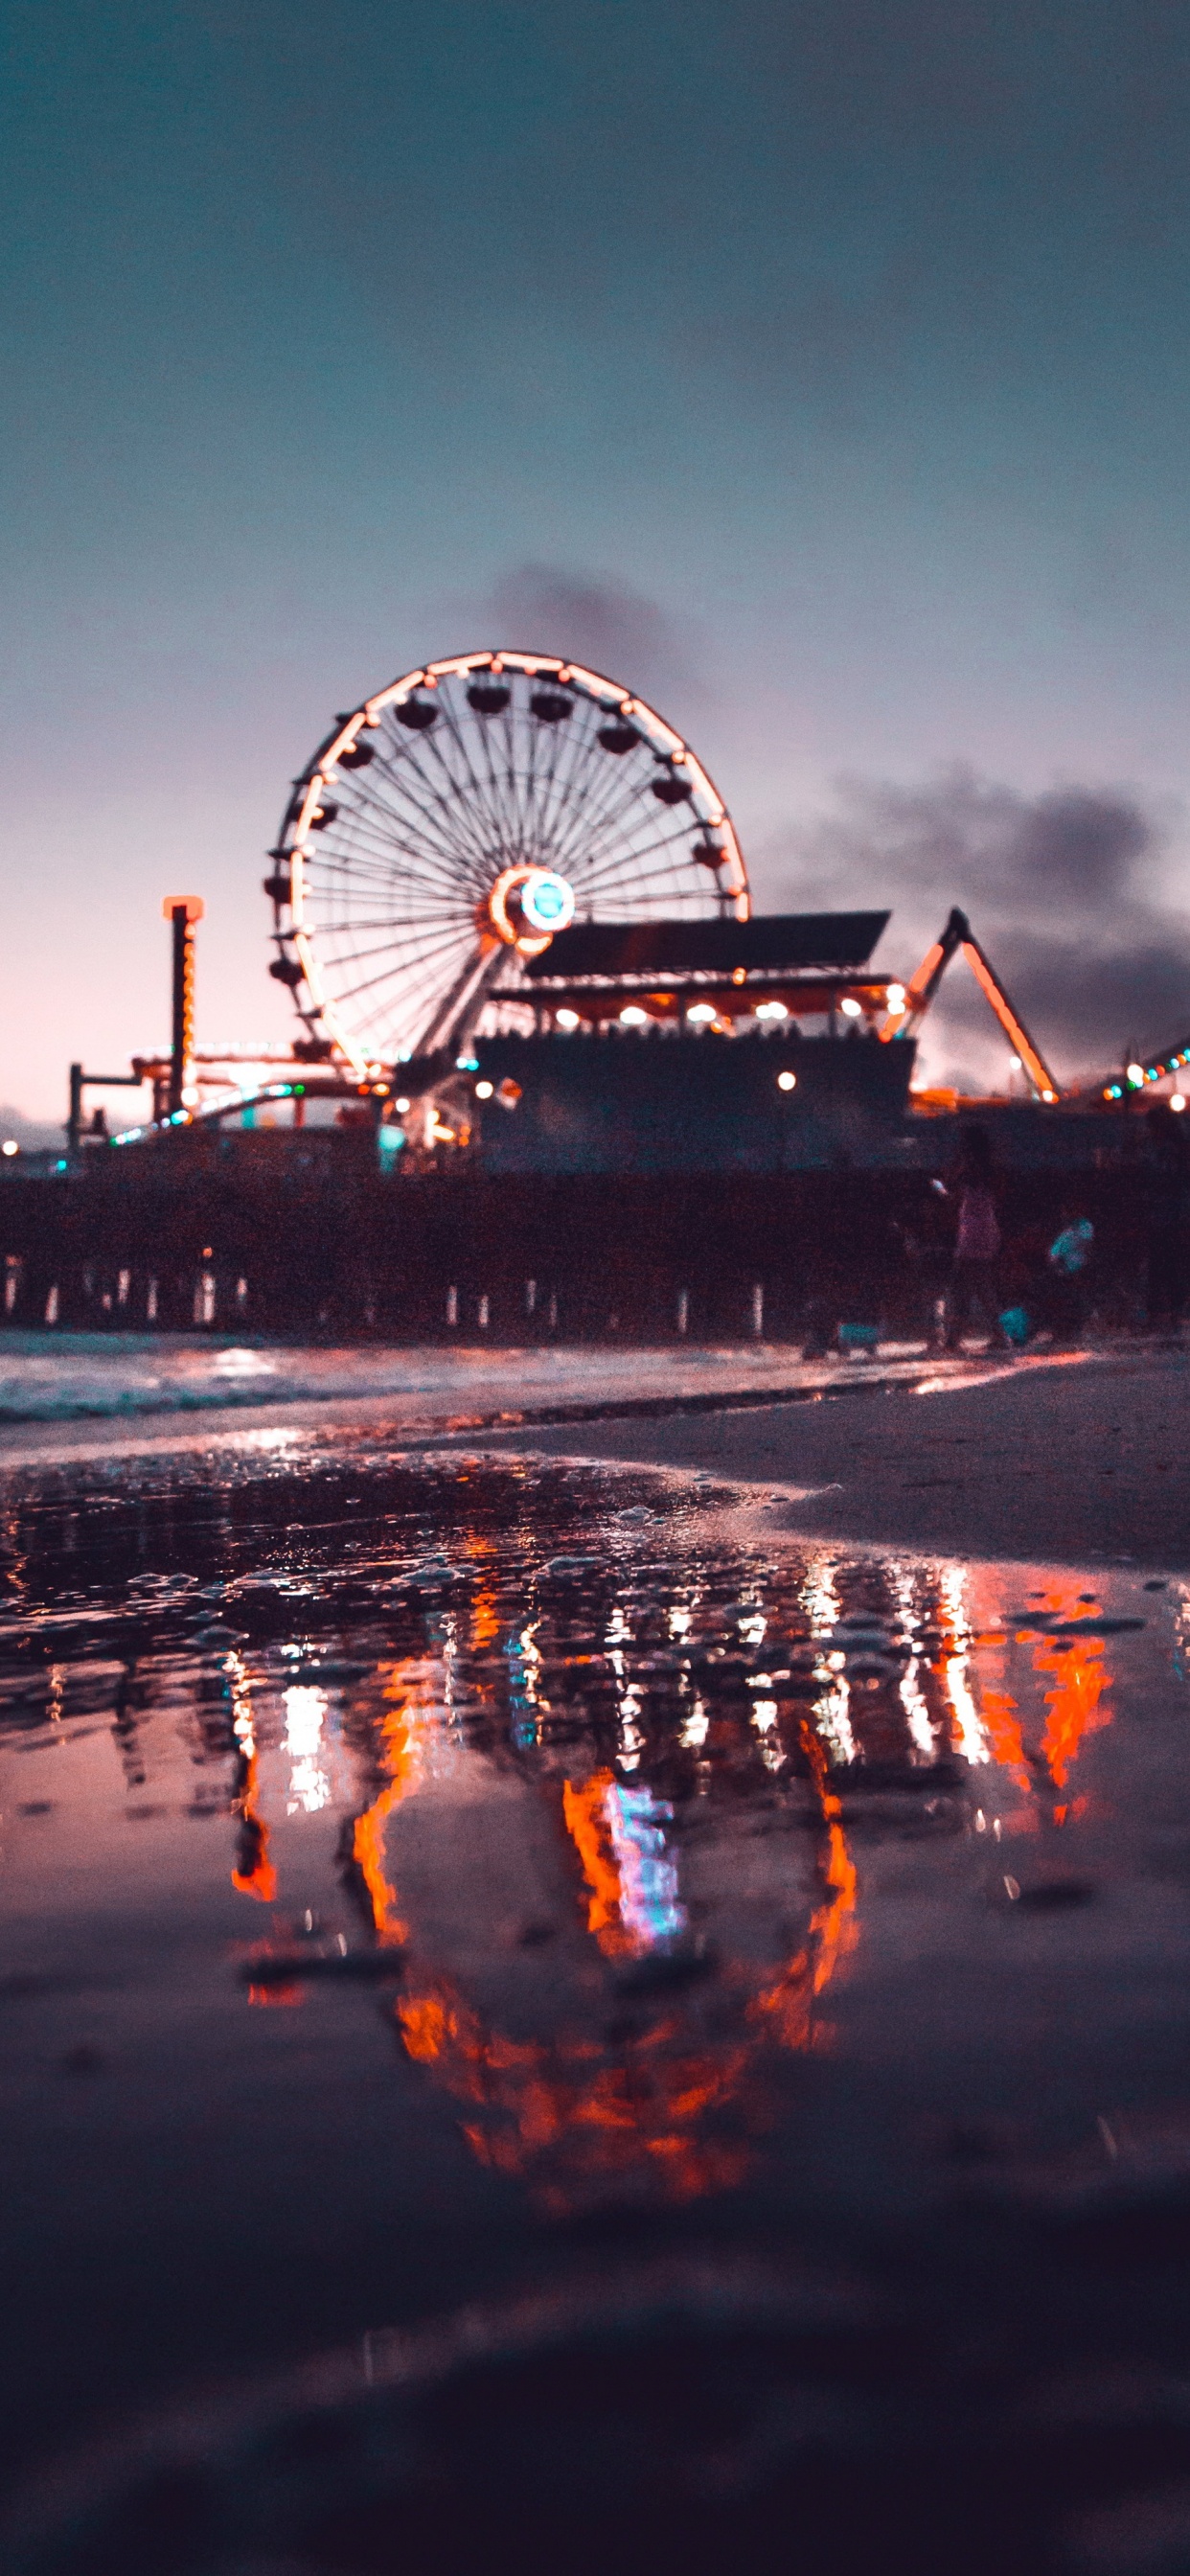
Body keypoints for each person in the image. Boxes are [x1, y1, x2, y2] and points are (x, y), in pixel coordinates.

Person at [942, 1126, 1006, 1351]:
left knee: (963, 1285)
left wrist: (943, 1188)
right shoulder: (992, 1169)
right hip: (988, 1227)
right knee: (979, 1284)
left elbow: (952, 1191)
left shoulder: (966, 1169)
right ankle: (997, 1334)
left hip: (971, 1230)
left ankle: (954, 1339)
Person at [1142, 1104, 1189, 1329]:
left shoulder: (1168, 1151)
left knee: (1165, 1263)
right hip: (1169, 1214)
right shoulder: (1170, 1149)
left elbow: (1164, 1179)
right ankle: (1170, 1309)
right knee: (1169, 1263)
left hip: (1169, 1215)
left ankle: (1167, 1310)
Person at [1046, 1206, 1094, 1343]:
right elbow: (1056, 1249)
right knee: (1060, 1300)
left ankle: (1075, 1331)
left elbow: (1086, 1244)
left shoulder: (1084, 1225)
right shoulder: (1065, 1229)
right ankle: (1061, 1332)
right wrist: (1055, 1262)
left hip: (1076, 1268)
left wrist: (1081, 1264)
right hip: (1060, 1269)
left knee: (1075, 1299)